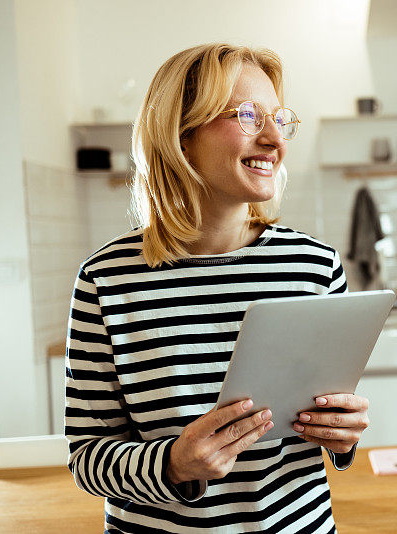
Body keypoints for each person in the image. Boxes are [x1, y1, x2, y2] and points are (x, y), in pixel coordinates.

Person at [64, 43, 370, 533]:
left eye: (279, 118)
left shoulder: (314, 265)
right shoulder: (106, 280)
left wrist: (344, 435)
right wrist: (172, 464)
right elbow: (86, 457)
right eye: (248, 115)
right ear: (181, 135)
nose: (274, 139)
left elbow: (328, 424)